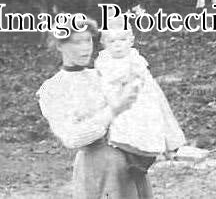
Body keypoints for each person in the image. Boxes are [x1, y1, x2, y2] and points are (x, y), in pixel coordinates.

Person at [37, 15, 150, 199]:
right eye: (76, 42)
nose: (85, 48)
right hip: (97, 169)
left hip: (131, 164)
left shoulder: (103, 75)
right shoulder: (53, 88)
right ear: (60, 45)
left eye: (88, 40)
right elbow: (72, 138)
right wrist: (113, 111)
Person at [95, 19, 185, 173]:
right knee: (122, 127)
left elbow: (142, 79)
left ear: (131, 41)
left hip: (140, 98)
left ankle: (149, 154)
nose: (117, 45)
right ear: (104, 44)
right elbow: (105, 82)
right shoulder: (105, 61)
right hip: (117, 100)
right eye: (112, 41)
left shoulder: (134, 58)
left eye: (122, 40)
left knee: (148, 122)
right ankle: (130, 156)